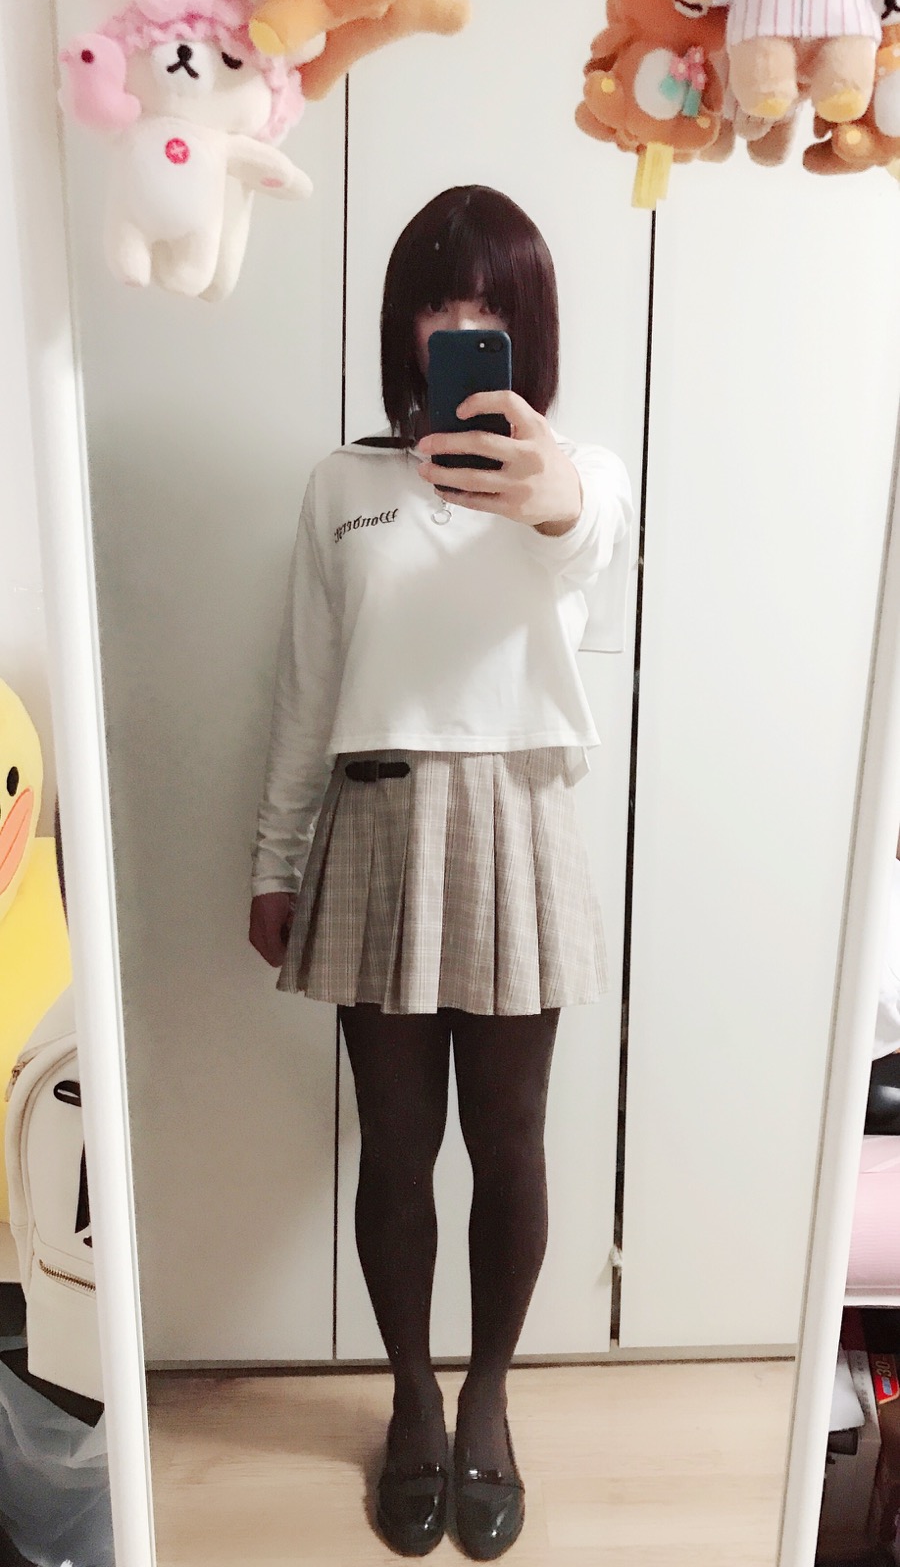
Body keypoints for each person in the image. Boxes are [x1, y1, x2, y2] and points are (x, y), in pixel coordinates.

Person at [249, 183, 632, 1560]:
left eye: (488, 305)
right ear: (402, 323)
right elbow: (307, 684)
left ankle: (488, 1400)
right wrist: (274, 856)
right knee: (398, 1146)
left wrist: (551, 490)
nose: (457, 324)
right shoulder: (342, 486)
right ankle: (413, 1397)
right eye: (436, 301)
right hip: (375, 821)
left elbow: (588, 538)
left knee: (510, 1142)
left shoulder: (576, 476)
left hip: (519, 820)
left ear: (527, 326)